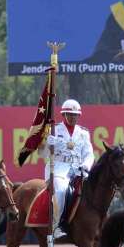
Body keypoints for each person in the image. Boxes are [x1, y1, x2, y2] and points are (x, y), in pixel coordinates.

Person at [40, 99, 95, 238]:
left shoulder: (83, 133)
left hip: (78, 168)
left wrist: (86, 166)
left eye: (75, 114)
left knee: (96, 188)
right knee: (60, 190)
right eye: (69, 114)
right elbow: (42, 154)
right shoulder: (54, 129)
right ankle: (56, 225)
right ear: (63, 115)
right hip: (58, 167)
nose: (72, 117)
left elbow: (89, 154)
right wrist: (47, 143)